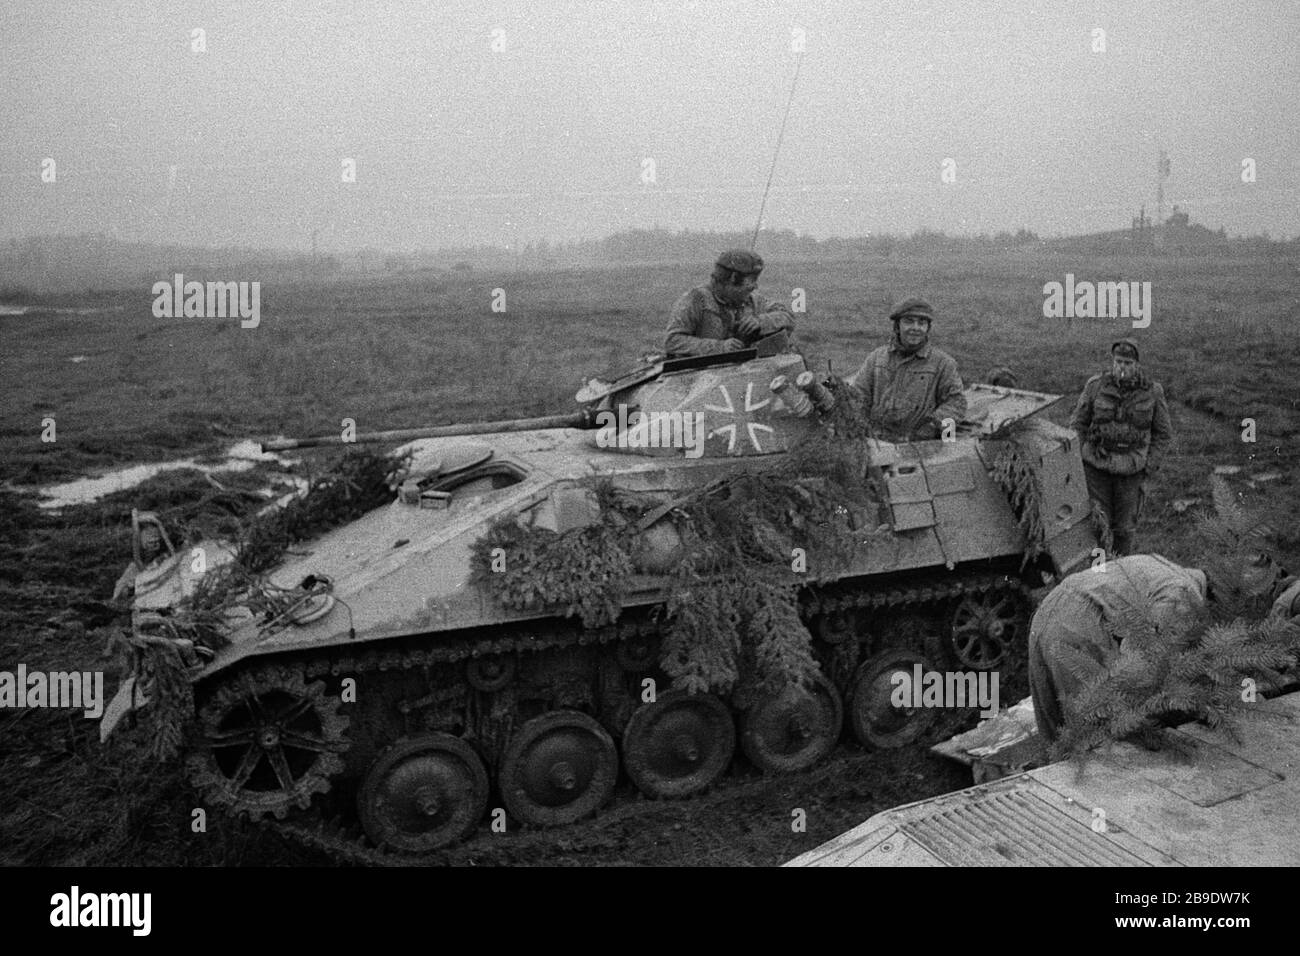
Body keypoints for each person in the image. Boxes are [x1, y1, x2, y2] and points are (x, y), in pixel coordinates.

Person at [1027, 554, 1208, 744]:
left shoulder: (1159, 564)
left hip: (1046, 611)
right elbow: (1142, 667)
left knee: (1057, 737)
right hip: (1079, 622)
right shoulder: (1185, 594)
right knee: (1101, 736)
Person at [1070, 338, 1173, 556]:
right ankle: (1097, 578)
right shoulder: (1095, 386)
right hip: (1096, 469)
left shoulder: (1153, 392)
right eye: (1118, 362)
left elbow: (1163, 435)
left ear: (1137, 365)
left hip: (1131, 471)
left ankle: (1120, 579)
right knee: (1098, 528)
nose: (1122, 367)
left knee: (1124, 531)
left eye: (1127, 363)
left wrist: (1148, 467)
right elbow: (1077, 425)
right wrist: (1080, 458)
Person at [845, 297, 966, 441]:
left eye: (921, 323)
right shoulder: (876, 359)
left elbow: (956, 404)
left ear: (928, 328)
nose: (915, 328)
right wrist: (857, 428)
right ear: (897, 326)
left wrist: (934, 426)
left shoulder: (943, 364)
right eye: (909, 321)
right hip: (877, 443)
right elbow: (858, 397)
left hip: (920, 448)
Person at [663, 249, 795, 357]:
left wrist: (761, 321)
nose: (755, 287)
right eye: (751, 282)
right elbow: (673, 341)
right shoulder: (696, 300)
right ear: (733, 279)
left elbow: (788, 317)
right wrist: (719, 347)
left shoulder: (752, 299)